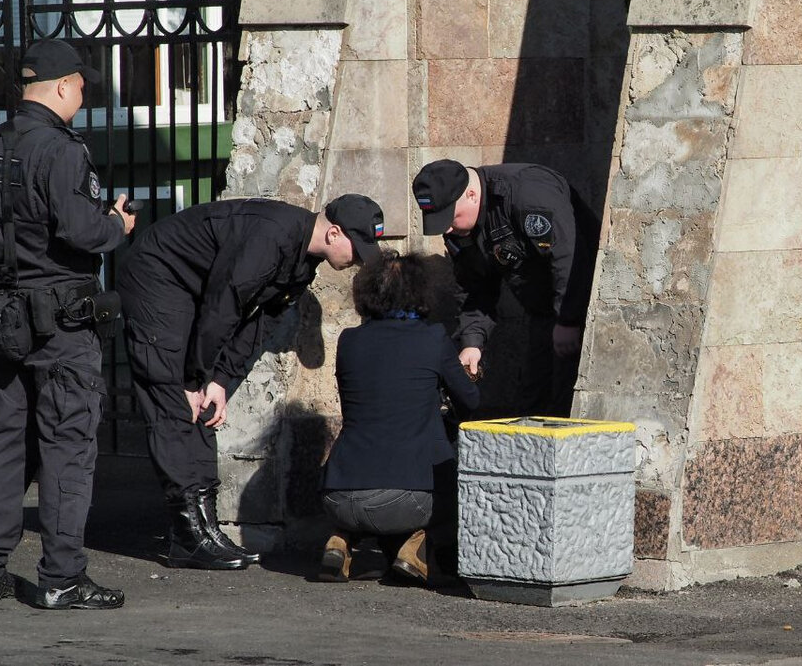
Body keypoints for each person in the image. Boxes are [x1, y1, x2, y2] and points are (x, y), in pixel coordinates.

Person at [0, 38, 137, 609]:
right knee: (68, 445)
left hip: (4, 313)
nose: (83, 94)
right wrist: (118, 226)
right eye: (81, 85)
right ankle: (61, 577)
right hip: (61, 316)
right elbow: (82, 233)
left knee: (5, 440)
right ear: (61, 86)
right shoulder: (62, 151)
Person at [116, 193, 385, 570]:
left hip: (194, 292)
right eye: (358, 250)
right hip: (157, 279)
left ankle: (205, 529)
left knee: (204, 408)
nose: (358, 260)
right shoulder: (271, 238)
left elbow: (258, 325)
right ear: (335, 233)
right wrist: (194, 377)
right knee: (173, 397)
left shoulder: (302, 263)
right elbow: (223, 306)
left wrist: (220, 380)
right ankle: (186, 535)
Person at [318, 250, 478, 585]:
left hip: (337, 496)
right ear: (422, 292)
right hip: (405, 502)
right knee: (451, 474)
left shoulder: (349, 341)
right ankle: (415, 547)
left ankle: (341, 539)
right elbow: (470, 403)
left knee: (382, 482)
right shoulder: (433, 338)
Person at [411, 159, 599, 417]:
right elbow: (474, 287)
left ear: (472, 194)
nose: (447, 228)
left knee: (571, 404)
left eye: (450, 218)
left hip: (586, 312)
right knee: (534, 405)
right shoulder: (460, 229)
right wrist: (472, 343)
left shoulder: (528, 194)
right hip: (545, 316)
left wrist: (568, 320)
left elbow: (569, 259)